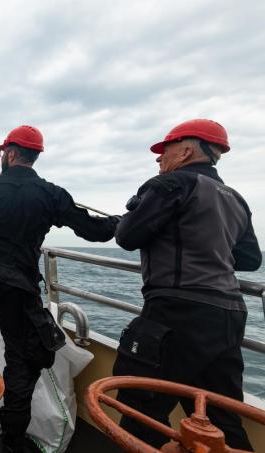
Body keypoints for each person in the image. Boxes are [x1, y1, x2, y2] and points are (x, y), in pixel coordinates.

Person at [0, 125, 120, 453]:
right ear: (34, 157)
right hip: (19, 284)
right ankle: (12, 442)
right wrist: (119, 222)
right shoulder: (52, 195)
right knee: (22, 361)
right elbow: (94, 231)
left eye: (2, 154)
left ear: (10, 154)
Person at [114, 119, 261, 450]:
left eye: (163, 151)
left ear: (186, 150)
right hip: (229, 315)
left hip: (177, 313)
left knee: (140, 409)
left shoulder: (170, 184)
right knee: (220, 415)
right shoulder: (235, 198)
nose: (158, 159)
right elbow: (250, 259)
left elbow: (127, 235)